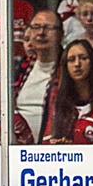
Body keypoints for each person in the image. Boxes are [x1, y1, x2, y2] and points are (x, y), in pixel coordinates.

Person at [15, 10, 65, 142]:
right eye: (36, 27)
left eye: (48, 28)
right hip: (19, 150)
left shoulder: (69, 68)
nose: (41, 33)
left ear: (61, 34)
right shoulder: (21, 68)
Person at [46, 40, 93, 143]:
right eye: (71, 60)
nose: (77, 64)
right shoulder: (59, 101)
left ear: (92, 61)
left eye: (83, 58)